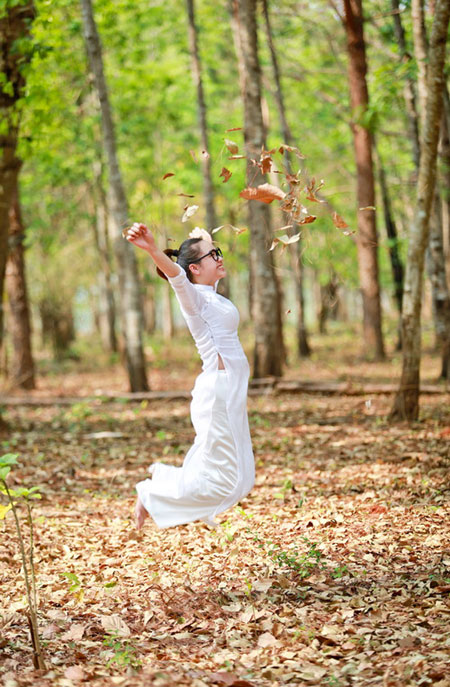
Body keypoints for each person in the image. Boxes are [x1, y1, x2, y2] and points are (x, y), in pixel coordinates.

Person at [125, 223, 255, 530]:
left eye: (218, 252)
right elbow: (177, 276)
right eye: (213, 255)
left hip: (231, 392)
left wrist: (205, 240)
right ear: (195, 268)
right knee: (226, 478)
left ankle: (163, 480)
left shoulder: (211, 296)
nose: (220, 258)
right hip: (217, 393)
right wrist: (153, 249)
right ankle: (151, 493)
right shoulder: (193, 297)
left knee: (240, 475)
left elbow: (197, 260)